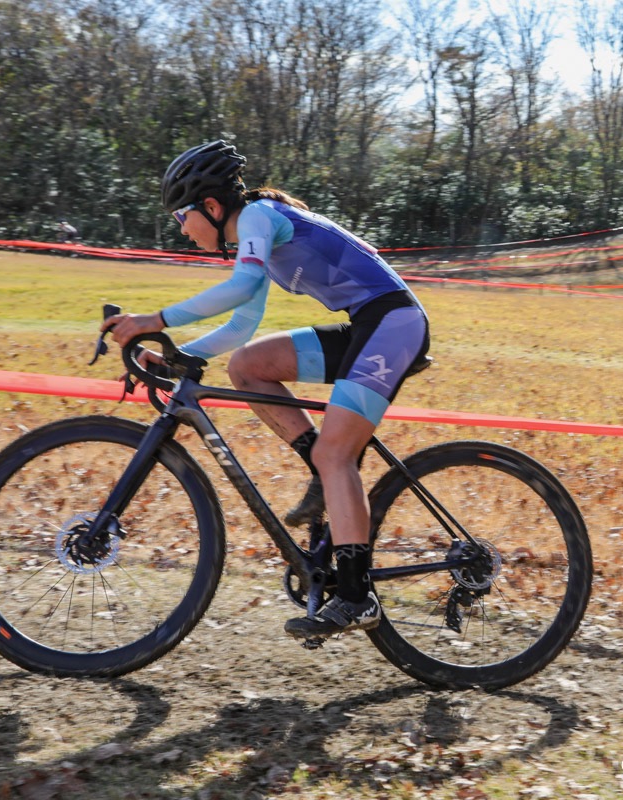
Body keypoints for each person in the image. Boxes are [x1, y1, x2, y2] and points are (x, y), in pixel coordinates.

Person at [102, 140, 431, 637]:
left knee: (337, 455)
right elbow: (242, 323)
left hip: (394, 324)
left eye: (181, 218)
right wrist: (177, 355)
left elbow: (235, 291)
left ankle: (357, 596)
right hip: (368, 325)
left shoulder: (257, 214)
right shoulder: (255, 234)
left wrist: (155, 319)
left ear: (211, 207)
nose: (182, 231)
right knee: (248, 366)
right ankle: (323, 471)